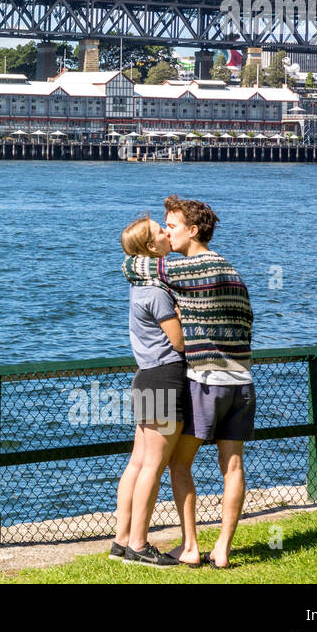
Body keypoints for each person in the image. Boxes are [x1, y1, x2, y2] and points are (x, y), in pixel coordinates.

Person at [122, 195, 254, 568]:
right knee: (232, 467)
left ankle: (190, 546)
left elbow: (133, 267)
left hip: (203, 380)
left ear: (193, 231)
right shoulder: (232, 271)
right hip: (242, 380)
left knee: (177, 465)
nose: (168, 232)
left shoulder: (182, 271)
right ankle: (223, 550)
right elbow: (248, 319)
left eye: (172, 226)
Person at [111, 214, 186, 569]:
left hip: (145, 377)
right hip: (165, 377)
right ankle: (139, 545)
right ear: (150, 246)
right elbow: (180, 341)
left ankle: (121, 539)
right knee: (153, 466)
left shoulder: (139, 286)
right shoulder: (157, 291)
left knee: (138, 462)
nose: (167, 233)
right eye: (161, 230)